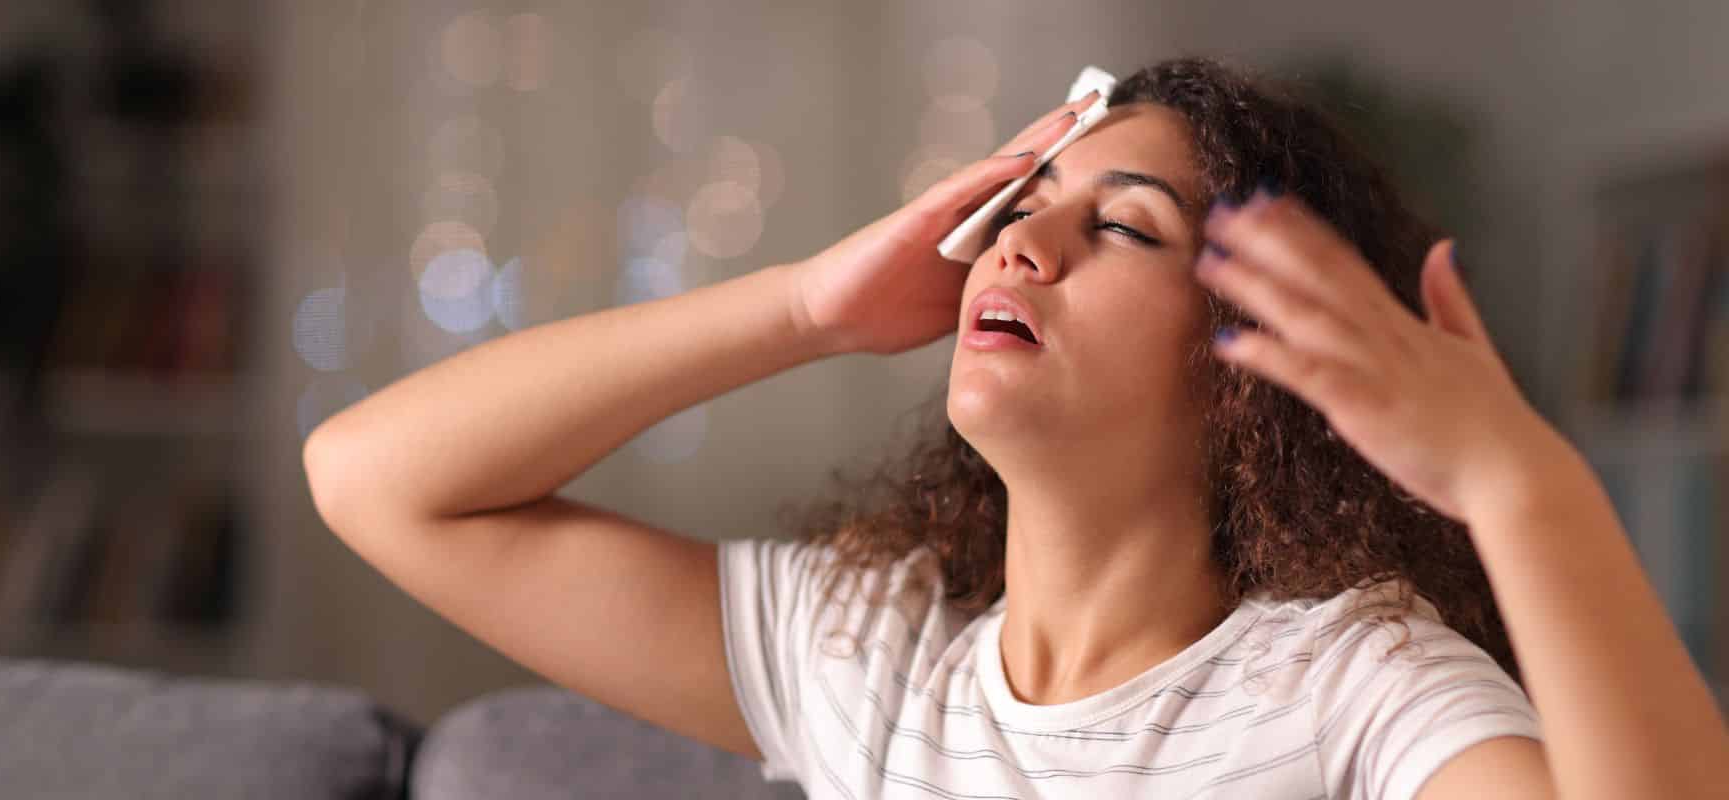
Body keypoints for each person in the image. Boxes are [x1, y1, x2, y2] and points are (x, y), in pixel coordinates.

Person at [303, 57, 1729, 798]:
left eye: (1119, 224)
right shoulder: (870, 656)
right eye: (1013, 206)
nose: (1020, 243)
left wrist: (1518, 481)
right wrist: (807, 305)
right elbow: (374, 481)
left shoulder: (1347, 681)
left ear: (1254, 362)